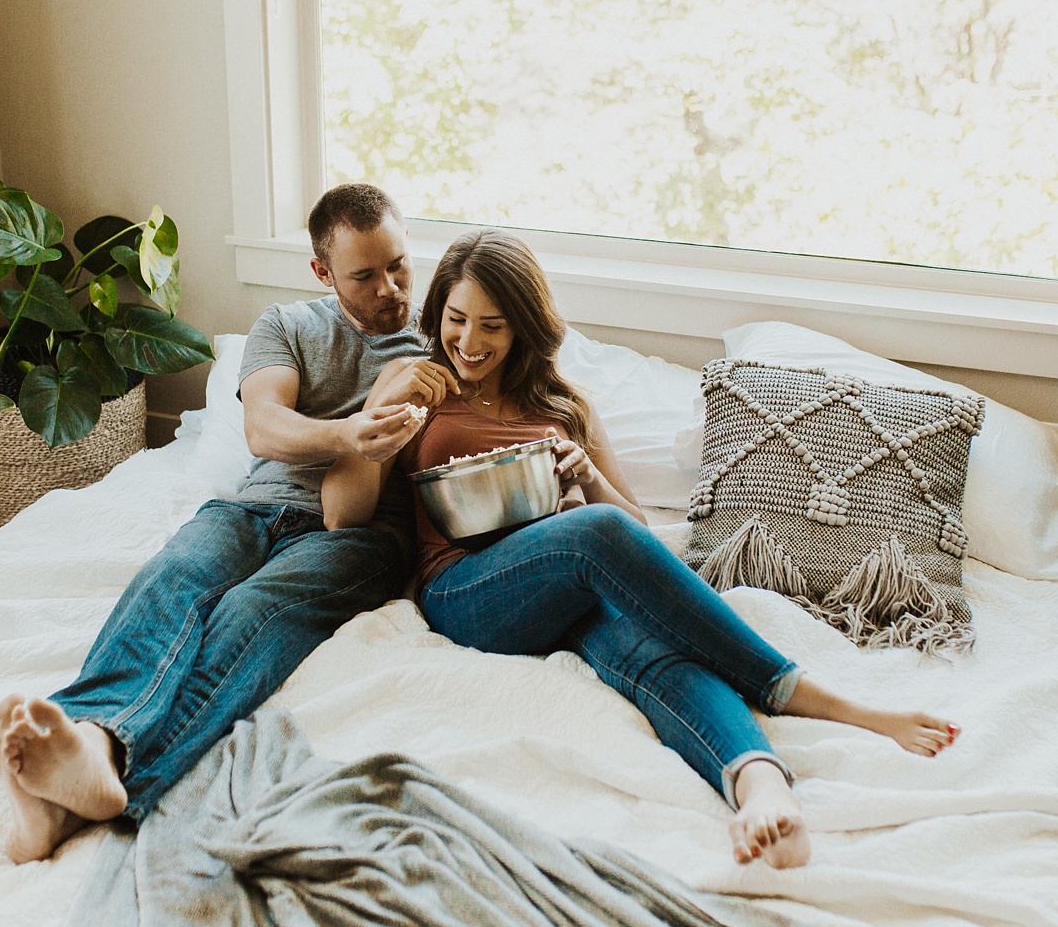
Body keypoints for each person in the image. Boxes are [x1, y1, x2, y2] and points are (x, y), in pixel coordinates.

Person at [322, 229, 960, 869]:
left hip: (566, 583)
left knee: (648, 649)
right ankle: (808, 694)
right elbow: (340, 514)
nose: (468, 341)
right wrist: (378, 406)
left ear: (523, 328)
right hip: (465, 592)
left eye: (492, 325)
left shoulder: (564, 405)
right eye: (456, 320)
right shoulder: (417, 388)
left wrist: (587, 478)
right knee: (592, 537)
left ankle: (759, 784)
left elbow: (635, 533)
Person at [0, 184, 460, 863]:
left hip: (359, 532)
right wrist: (352, 429)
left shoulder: (439, 342)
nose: (389, 288)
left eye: (399, 265)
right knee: (173, 578)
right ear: (323, 273)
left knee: (251, 611)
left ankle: (109, 771)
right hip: (252, 504)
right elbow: (265, 428)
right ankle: (87, 747)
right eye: (365, 275)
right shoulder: (287, 326)